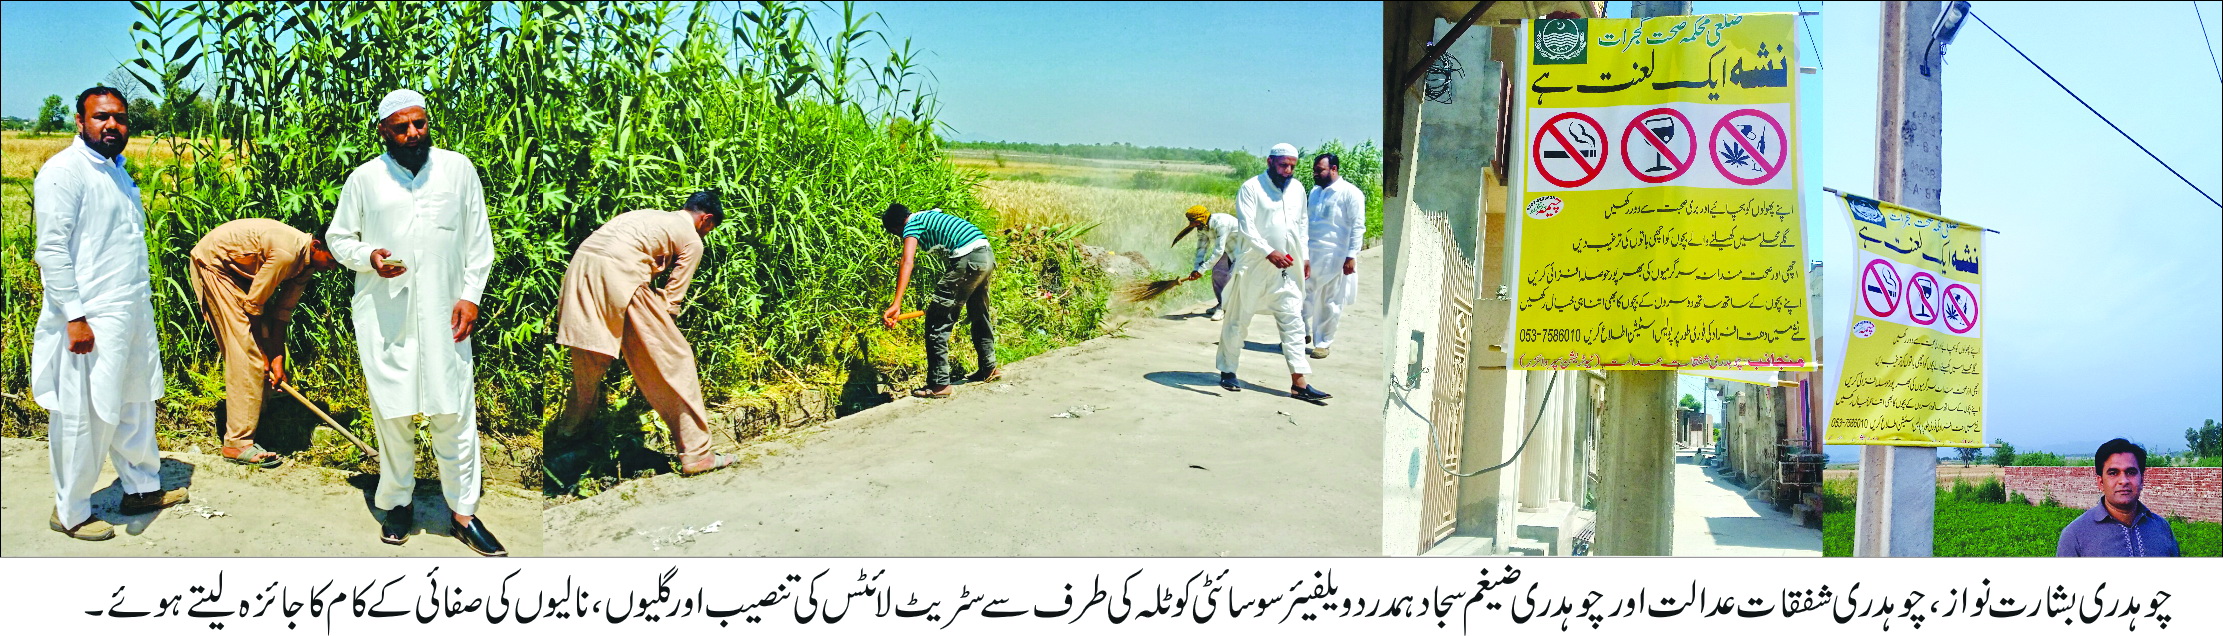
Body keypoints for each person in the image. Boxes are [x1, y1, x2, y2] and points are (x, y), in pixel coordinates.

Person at [326, 89, 505, 556]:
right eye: (401, 127)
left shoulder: (457, 169)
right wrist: (369, 257)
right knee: (394, 412)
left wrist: (471, 296)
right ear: (383, 130)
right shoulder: (364, 179)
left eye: (420, 124)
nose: (413, 134)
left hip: (448, 313)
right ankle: (398, 502)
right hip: (386, 317)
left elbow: (478, 240)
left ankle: (463, 512)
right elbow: (339, 237)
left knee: (454, 411)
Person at [32, 86, 189, 541]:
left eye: (119, 118)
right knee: (84, 415)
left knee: (135, 402)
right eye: (101, 118)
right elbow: (52, 251)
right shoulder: (65, 172)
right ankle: (71, 511)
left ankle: (141, 488)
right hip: (89, 317)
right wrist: (75, 316)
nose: (112, 126)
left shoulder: (118, 172)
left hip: (129, 311)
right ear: (79, 121)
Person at [552, 191, 740, 475]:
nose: (707, 235)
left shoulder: (648, 215)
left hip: (580, 270)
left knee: (591, 359)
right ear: (706, 219)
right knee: (675, 359)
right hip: (620, 272)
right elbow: (672, 300)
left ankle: (570, 435)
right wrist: (657, 340)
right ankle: (697, 454)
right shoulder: (691, 238)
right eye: (710, 229)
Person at [189, 219, 341, 468]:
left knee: (263, 344)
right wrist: (263, 354)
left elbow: (282, 313)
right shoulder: (286, 254)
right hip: (215, 265)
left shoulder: (307, 263)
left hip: (240, 270)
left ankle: (262, 408)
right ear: (316, 245)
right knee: (246, 352)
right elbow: (253, 310)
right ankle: (237, 444)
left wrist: (277, 357)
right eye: (332, 260)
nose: (333, 268)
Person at [1217, 143, 1329, 401]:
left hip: (1288, 267)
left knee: (1293, 322)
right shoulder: (1251, 188)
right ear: (1270, 161)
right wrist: (1269, 252)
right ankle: (1228, 370)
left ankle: (1299, 383)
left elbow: (1302, 224)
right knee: (1238, 319)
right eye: (1283, 165)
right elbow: (1247, 228)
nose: (1288, 170)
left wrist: (1306, 256)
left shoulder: (1298, 189)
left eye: (1292, 165)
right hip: (1255, 265)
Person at [880, 203, 998, 398]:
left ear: (896, 228)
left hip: (968, 259)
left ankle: (940, 384)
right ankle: (989, 368)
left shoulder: (911, 225)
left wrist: (896, 303)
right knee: (979, 312)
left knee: (937, 321)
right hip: (985, 254)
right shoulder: (926, 215)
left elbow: (907, 261)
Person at [2056, 438, 2179, 557]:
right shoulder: (2075, 535)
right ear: (2100, 482)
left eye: (2131, 472)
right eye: (2113, 473)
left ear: (2142, 480)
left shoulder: (2161, 528)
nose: (2123, 481)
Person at [1302, 153, 1364, 359]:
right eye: (1315, 170)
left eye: (1320, 170)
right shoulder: (1314, 192)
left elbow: (1357, 226)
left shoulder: (1350, 193)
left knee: (1329, 300)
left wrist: (1351, 255)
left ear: (1334, 169)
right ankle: (1301, 334)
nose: (1315, 174)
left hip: (1335, 256)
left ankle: (1323, 343)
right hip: (1311, 252)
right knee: (1300, 293)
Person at [1174, 204, 1239, 320]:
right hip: (1227, 249)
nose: (1192, 225)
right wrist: (1196, 268)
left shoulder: (1221, 223)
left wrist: (1202, 270)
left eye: (1194, 222)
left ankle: (1224, 308)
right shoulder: (1201, 228)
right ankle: (1221, 303)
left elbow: (1218, 251)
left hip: (1242, 250)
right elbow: (1201, 249)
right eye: (1191, 222)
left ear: (1202, 218)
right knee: (1217, 274)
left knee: (1231, 277)